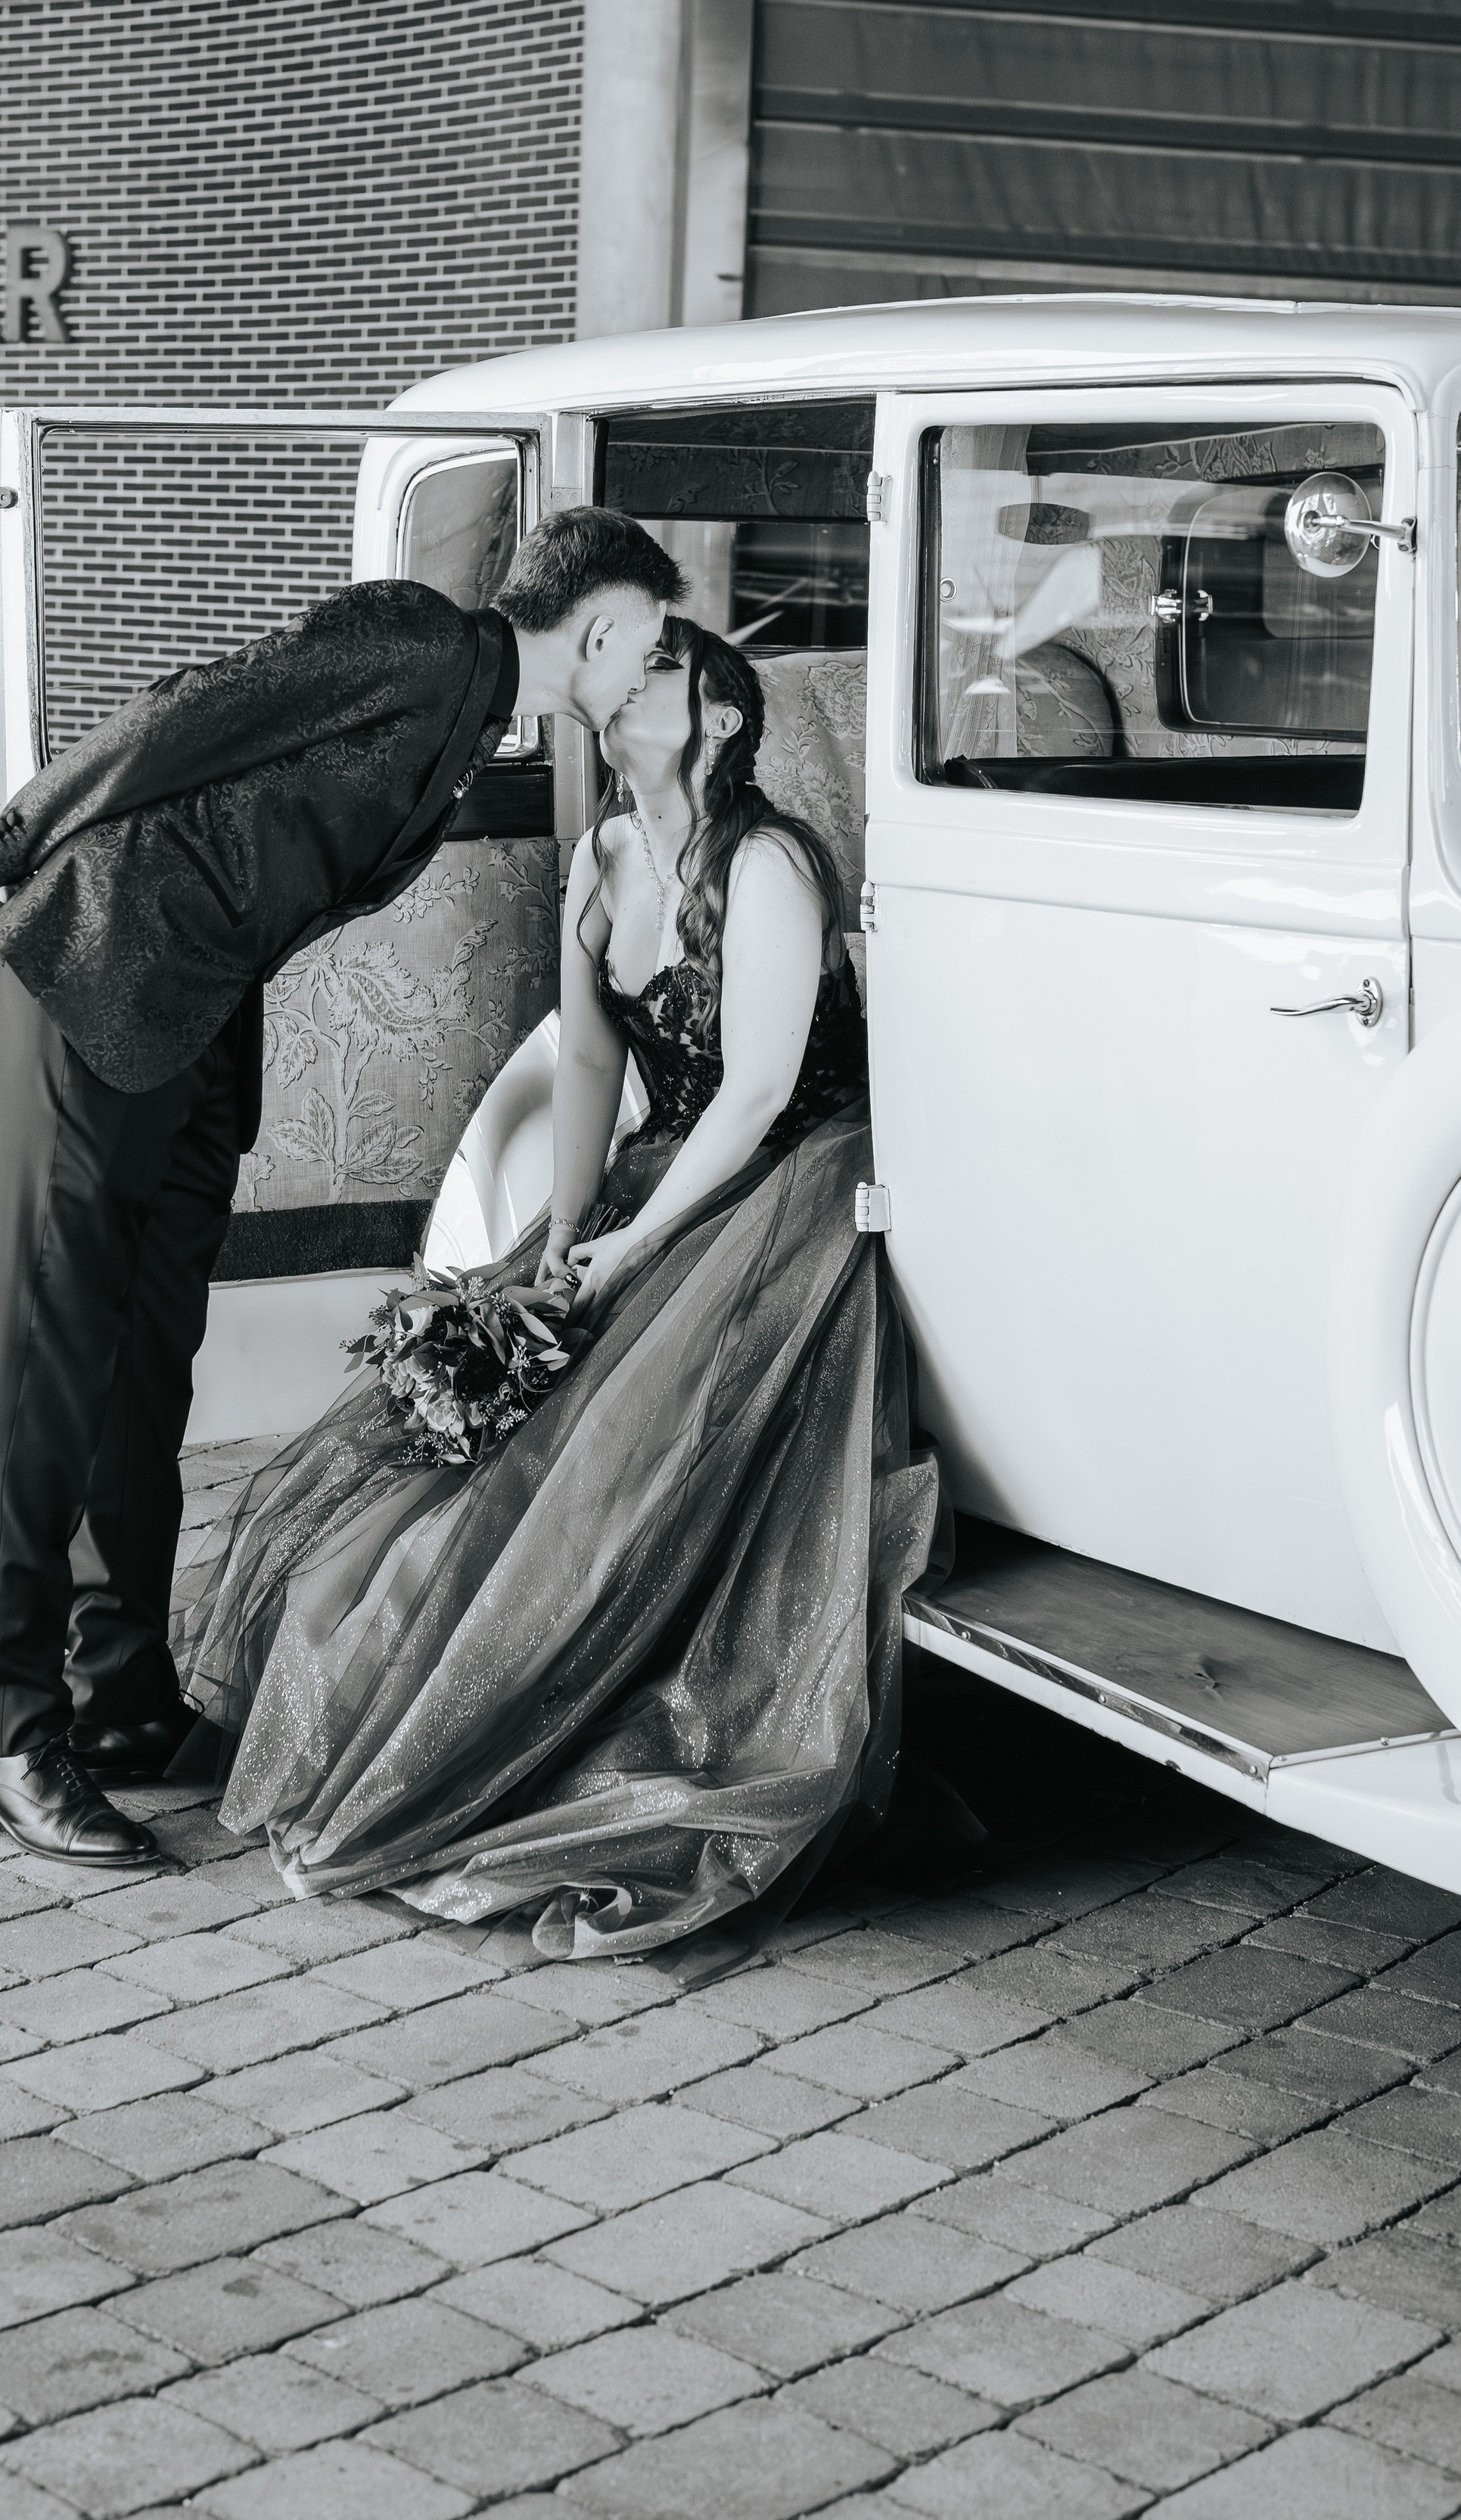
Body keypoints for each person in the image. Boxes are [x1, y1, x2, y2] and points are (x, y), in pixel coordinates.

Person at [0, 508, 679, 1867]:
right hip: (100, 969)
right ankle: (4, 1729)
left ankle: (119, 1692)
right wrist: (2, 843)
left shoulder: (483, 711)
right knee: (53, 1350)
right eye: (649, 649)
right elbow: (189, 713)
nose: (645, 679)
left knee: (149, 1350)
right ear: (602, 626)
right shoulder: (427, 642)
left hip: (200, 1012)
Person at [170, 614, 943, 1960]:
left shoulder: (767, 864)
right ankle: (404, 1691)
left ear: (716, 717)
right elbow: (590, 1070)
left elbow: (759, 1089)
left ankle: (536, 1713)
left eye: (655, 668)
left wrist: (639, 1250)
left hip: (796, 1181)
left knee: (605, 1460)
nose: (622, 682)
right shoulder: (599, 855)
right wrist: (565, 1230)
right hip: (662, 1165)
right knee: (462, 1434)